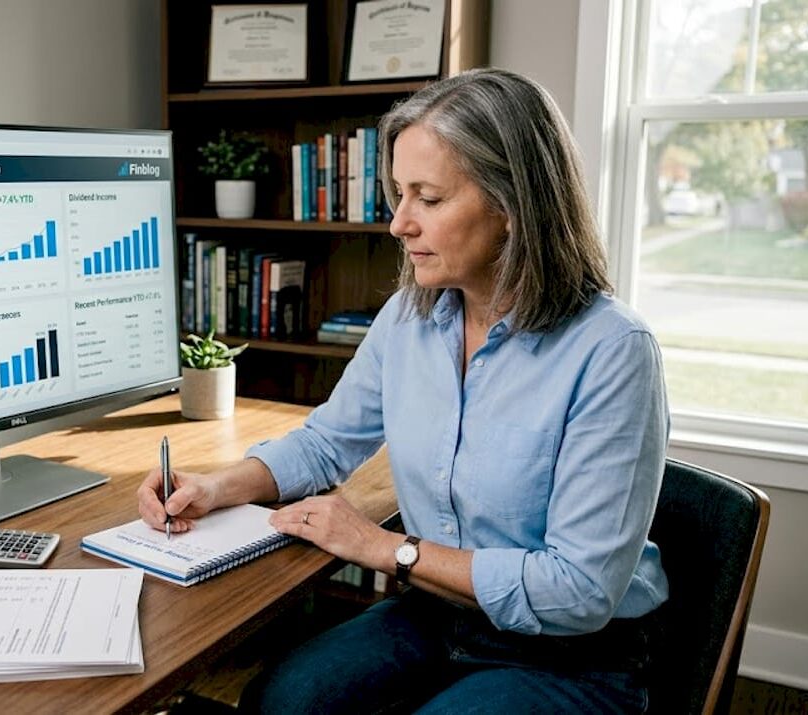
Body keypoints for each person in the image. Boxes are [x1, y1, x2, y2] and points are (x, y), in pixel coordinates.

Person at [138, 68, 669, 714]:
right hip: (441, 617)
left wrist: (385, 547)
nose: (398, 224)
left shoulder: (612, 351)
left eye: (428, 198)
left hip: (575, 655)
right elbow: (329, 440)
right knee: (279, 700)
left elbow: (579, 591)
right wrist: (217, 486)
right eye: (397, 194)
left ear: (511, 205)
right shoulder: (411, 317)